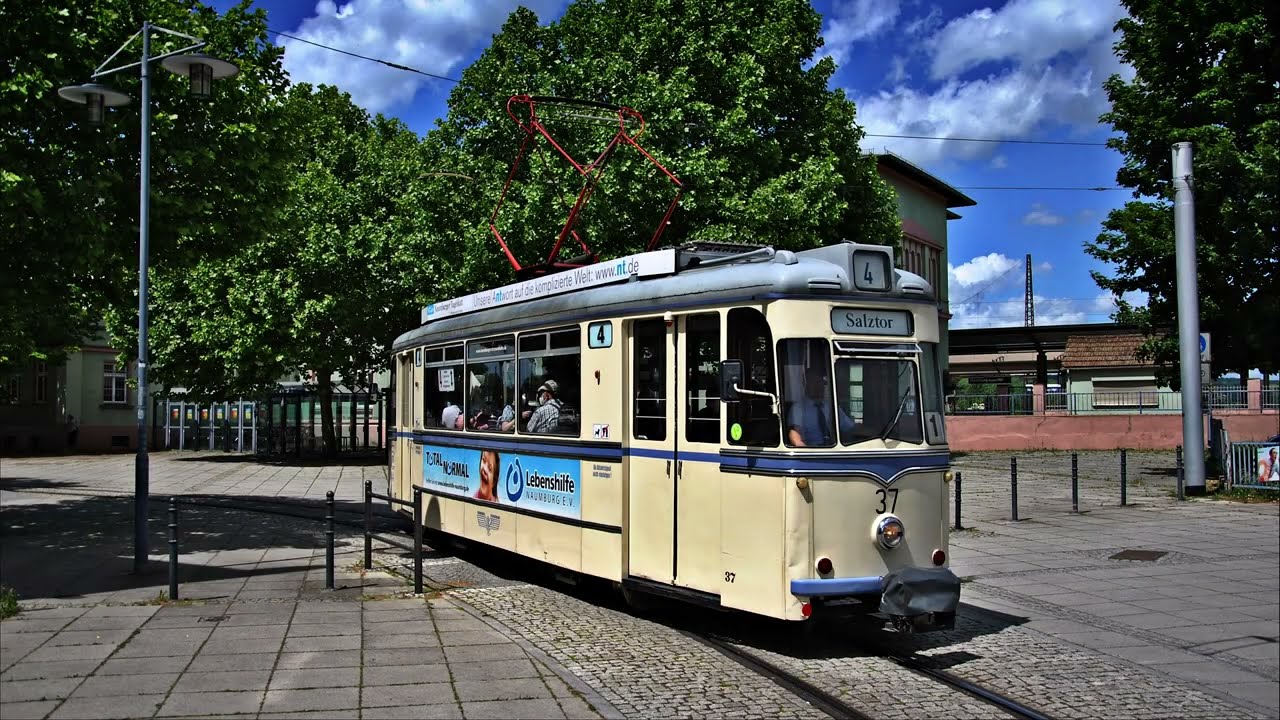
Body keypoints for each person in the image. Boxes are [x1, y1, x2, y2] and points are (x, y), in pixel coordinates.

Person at [786, 367, 855, 447]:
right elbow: (794, 435)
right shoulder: (798, 408)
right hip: (812, 450)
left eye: (820, 382)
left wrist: (871, 434)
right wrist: (808, 453)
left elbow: (850, 427)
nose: (818, 386)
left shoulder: (831, 406)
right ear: (806, 385)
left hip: (833, 449)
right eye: (814, 383)